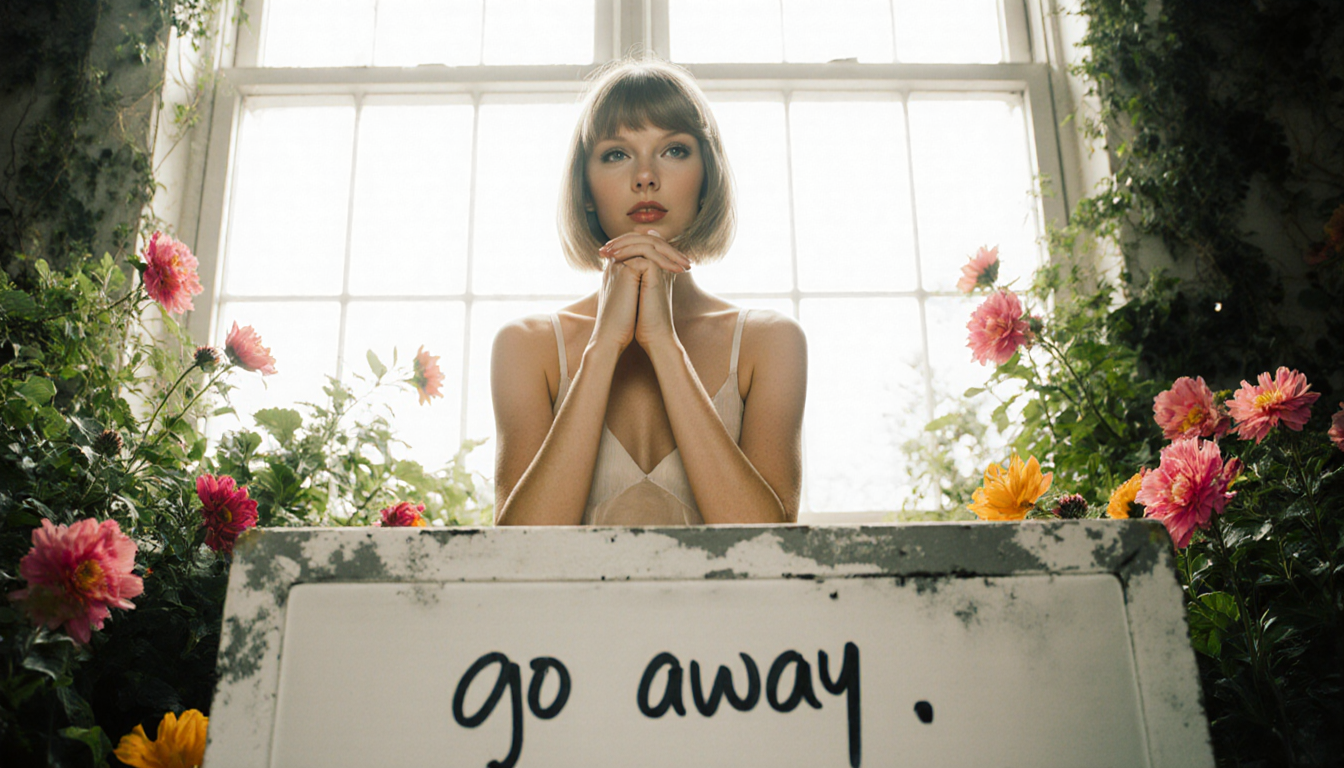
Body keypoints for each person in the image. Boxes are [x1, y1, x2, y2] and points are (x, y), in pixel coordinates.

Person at [491, 57, 807, 526]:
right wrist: (603, 347)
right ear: (585, 190)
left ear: (708, 180)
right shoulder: (526, 346)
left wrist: (663, 344)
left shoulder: (771, 342)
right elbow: (516, 556)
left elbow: (771, 549)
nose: (645, 177)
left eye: (674, 150)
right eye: (617, 154)